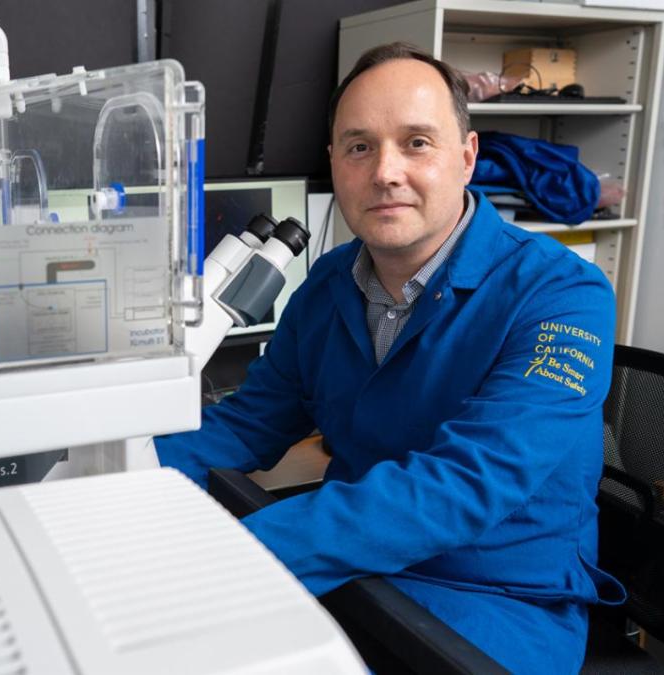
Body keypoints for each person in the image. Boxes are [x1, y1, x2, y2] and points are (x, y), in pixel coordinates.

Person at [155, 42, 625, 674]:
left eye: (417, 143)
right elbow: (248, 424)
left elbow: (464, 485)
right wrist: (113, 478)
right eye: (359, 146)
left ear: (467, 157)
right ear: (335, 163)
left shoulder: (560, 295)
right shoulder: (327, 284)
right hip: (358, 569)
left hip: (493, 599)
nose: (384, 171)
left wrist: (239, 554)